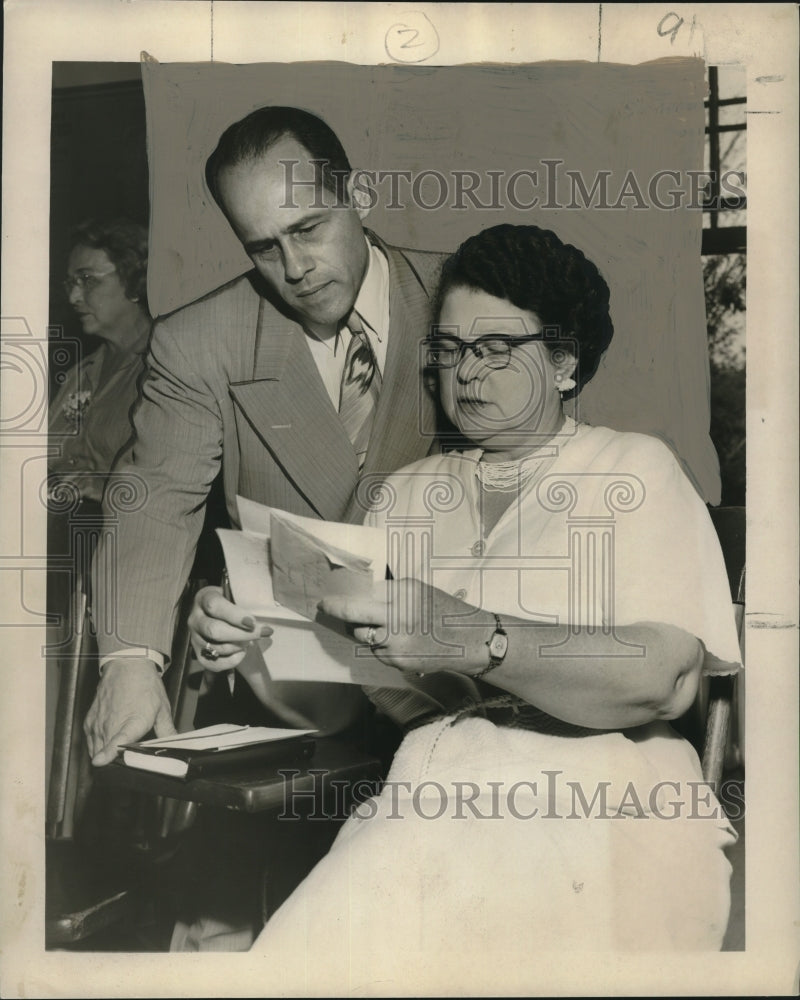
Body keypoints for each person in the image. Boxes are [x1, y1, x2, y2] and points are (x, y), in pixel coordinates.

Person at [193, 223, 740, 970]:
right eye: (449, 350)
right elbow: (354, 702)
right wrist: (251, 641)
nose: (466, 374)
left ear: (566, 363)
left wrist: (476, 636)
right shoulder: (406, 496)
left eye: (495, 349)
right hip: (423, 805)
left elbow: (664, 680)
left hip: (603, 810)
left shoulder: (633, 469)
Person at [84, 106, 448, 767]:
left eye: (308, 228)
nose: (295, 266)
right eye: (262, 247)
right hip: (298, 706)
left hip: (465, 683)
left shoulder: (469, 299)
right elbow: (156, 498)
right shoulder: (198, 341)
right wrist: (130, 663)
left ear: (357, 196)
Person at [48, 217, 151, 504]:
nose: (74, 296)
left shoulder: (165, 368)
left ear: (134, 280)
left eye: (87, 280)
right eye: (71, 283)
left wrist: (109, 487)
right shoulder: (80, 374)